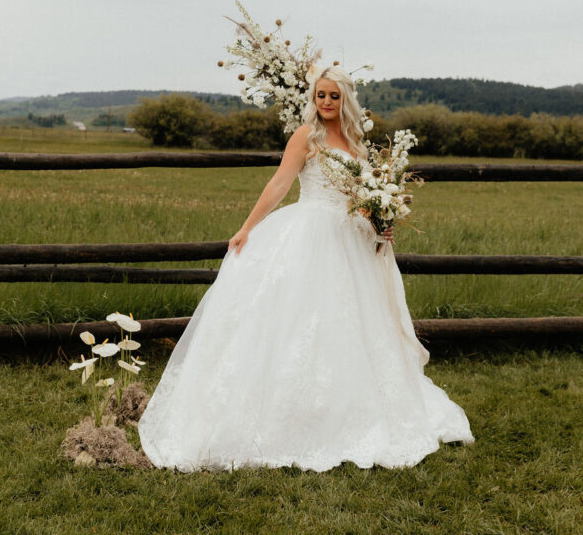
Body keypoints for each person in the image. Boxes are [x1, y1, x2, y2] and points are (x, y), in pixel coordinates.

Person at [138, 66, 474, 471]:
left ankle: (350, 406)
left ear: (345, 99)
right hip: (309, 233)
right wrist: (247, 227)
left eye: (334, 96)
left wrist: (378, 224)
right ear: (313, 98)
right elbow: (280, 183)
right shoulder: (306, 136)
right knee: (300, 321)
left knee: (352, 324)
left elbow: (363, 196)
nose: (327, 103)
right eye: (321, 96)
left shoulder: (356, 142)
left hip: (352, 240)